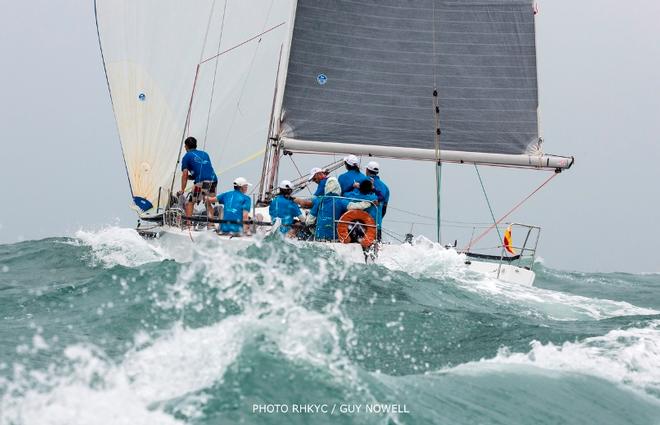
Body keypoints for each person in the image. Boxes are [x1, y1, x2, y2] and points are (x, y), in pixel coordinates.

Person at [305, 177, 374, 241]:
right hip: (334, 237)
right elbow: (353, 206)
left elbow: (309, 221)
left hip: (319, 235)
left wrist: (313, 229)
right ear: (338, 187)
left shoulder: (319, 200)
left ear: (326, 188)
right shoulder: (340, 201)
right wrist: (368, 203)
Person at [177, 136, 218, 224]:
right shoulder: (205, 154)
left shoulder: (187, 156)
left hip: (202, 182)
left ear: (186, 146)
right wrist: (192, 177)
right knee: (208, 202)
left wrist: (182, 190)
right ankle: (211, 225)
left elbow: (184, 174)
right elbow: (204, 170)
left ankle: (189, 225)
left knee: (190, 202)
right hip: (213, 180)